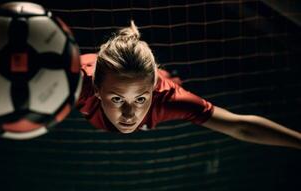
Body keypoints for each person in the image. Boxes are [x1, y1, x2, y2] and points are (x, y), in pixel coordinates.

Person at [76, 21, 301, 149]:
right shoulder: (76, 82)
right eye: (117, 99)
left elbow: (240, 126)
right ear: (96, 89)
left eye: (141, 99)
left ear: (153, 88)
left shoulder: (169, 99)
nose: (129, 114)